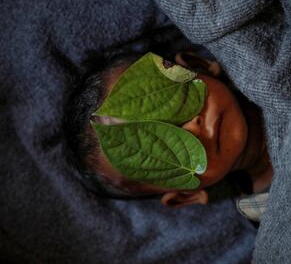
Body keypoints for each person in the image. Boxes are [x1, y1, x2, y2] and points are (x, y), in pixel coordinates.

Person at [69, 49, 274, 212]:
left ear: (196, 65)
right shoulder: (266, 210)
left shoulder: (265, 63)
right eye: (167, 150)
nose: (193, 129)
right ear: (185, 194)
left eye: (175, 104)